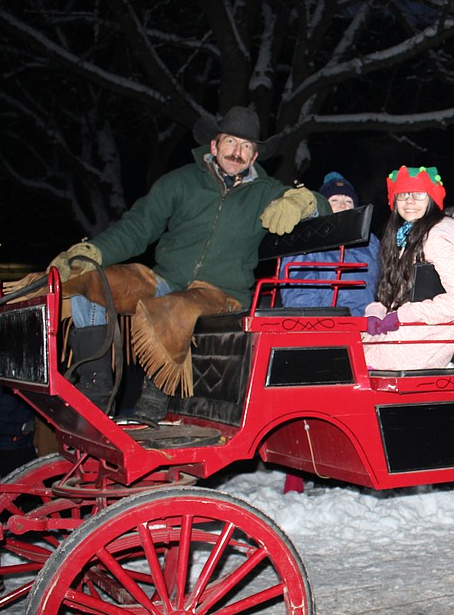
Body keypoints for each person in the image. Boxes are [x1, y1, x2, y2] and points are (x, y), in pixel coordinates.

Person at [19, 106, 324, 420]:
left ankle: (154, 396)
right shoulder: (180, 182)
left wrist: (303, 201)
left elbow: (327, 207)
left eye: (247, 146)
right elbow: (137, 227)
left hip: (223, 293)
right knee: (88, 282)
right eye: (231, 142)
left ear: (255, 156)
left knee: (173, 306)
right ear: (214, 145)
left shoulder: (266, 192)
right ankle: (96, 387)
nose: (238, 152)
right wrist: (92, 252)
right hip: (166, 278)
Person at [362, 166, 454, 370]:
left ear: (432, 199)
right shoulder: (404, 236)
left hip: (423, 340)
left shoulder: (435, 237)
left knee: (349, 363)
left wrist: (405, 315)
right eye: (403, 194)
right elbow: (395, 294)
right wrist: (376, 312)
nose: (410, 201)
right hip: (408, 334)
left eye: (419, 194)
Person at [280, 172, 381, 316]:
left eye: (348, 201)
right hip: (329, 323)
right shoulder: (308, 240)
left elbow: (384, 282)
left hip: (367, 322)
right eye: (334, 200)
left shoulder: (370, 242)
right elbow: (299, 293)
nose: (342, 205)